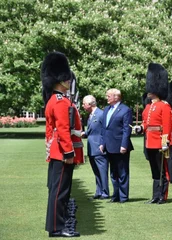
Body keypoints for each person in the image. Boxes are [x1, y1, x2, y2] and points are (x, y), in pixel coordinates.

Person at [41, 52, 82, 237]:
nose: (68, 81)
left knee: (58, 190)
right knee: (60, 192)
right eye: (66, 78)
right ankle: (58, 228)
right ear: (60, 80)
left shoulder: (56, 100)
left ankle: (56, 225)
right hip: (62, 153)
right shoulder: (59, 102)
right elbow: (63, 130)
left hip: (57, 151)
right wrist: (68, 153)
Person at [135, 63, 172, 204]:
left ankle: (163, 195)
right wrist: (141, 128)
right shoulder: (149, 106)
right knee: (154, 170)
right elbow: (146, 122)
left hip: (159, 142)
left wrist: (165, 143)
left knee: (162, 170)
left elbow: (167, 126)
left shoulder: (164, 106)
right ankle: (155, 195)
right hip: (149, 141)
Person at [100, 88, 133, 203]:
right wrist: (102, 143)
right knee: (113, 173)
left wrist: (124, 145)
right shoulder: (107, 109)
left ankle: (123, 196)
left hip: (120, 146)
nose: (107, 98)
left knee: (122, 172)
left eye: (109, 96)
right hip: (109, 145)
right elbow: (104, 128)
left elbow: (126, 129)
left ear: (116, 97)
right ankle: (116, 195)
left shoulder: (125, 110)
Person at [82, 95, 109, 200]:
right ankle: (99, 191)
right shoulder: (91, 115)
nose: (83, 106)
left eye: (84, 104)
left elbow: (105, 131)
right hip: (92, 148)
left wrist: (103, 144)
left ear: (90, 104)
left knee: (102, 171)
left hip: (99, 148)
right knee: (96, 172)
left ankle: (105, 192)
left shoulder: (101, 114)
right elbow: (90, 131)